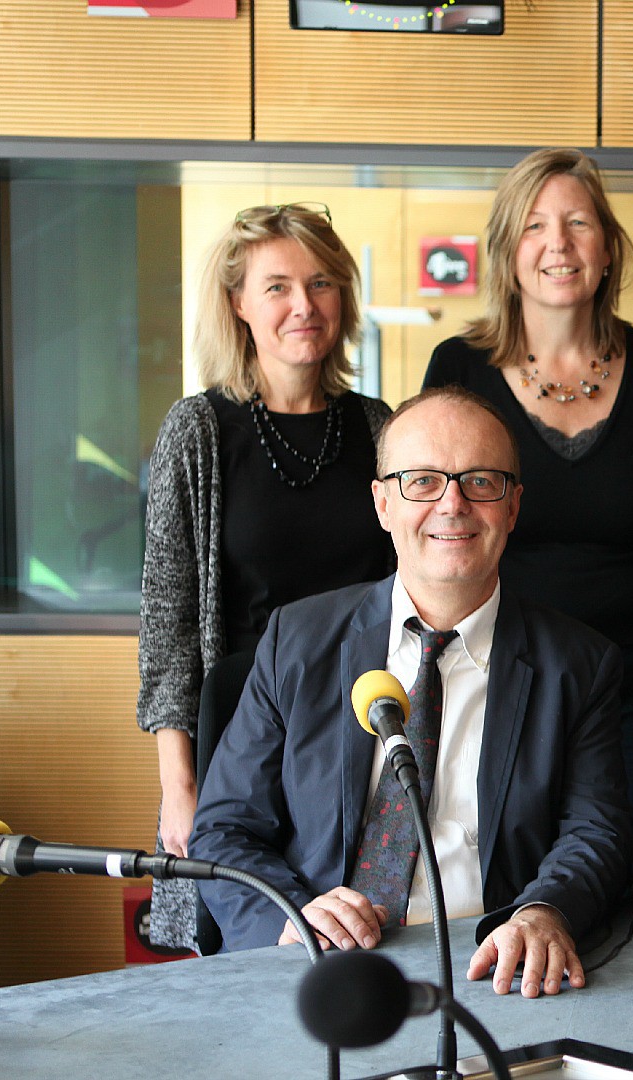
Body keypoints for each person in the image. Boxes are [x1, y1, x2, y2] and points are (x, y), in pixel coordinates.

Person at [191, 387, 633, 998]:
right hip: (319, 969)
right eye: (422, 481)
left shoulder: (578, 665)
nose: (452, 504)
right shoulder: (297, 641)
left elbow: (596, 832)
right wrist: (292, 919)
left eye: (481, 481)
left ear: (513, 506)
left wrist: (544, 913)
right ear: (382, 503)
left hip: (493, 976)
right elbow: (222, 831)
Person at [137, 203, 394, 953]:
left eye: (321, 284)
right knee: (247, 943)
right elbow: (167, 623)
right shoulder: (200, 430)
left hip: (355, 732)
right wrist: (179, 786)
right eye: (276, 286)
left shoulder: (380, 427)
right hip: (237, 741)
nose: (303, 307)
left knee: (357, 934)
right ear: (238, 304)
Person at [422, 148, 633, 829]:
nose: (559, 244)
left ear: (607, 248)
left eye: (578, 223)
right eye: (535, 226)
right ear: (507, 251)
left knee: (629, 870)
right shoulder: (459, 368)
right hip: (500, 680)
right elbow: (437, 528)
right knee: (516, 881)